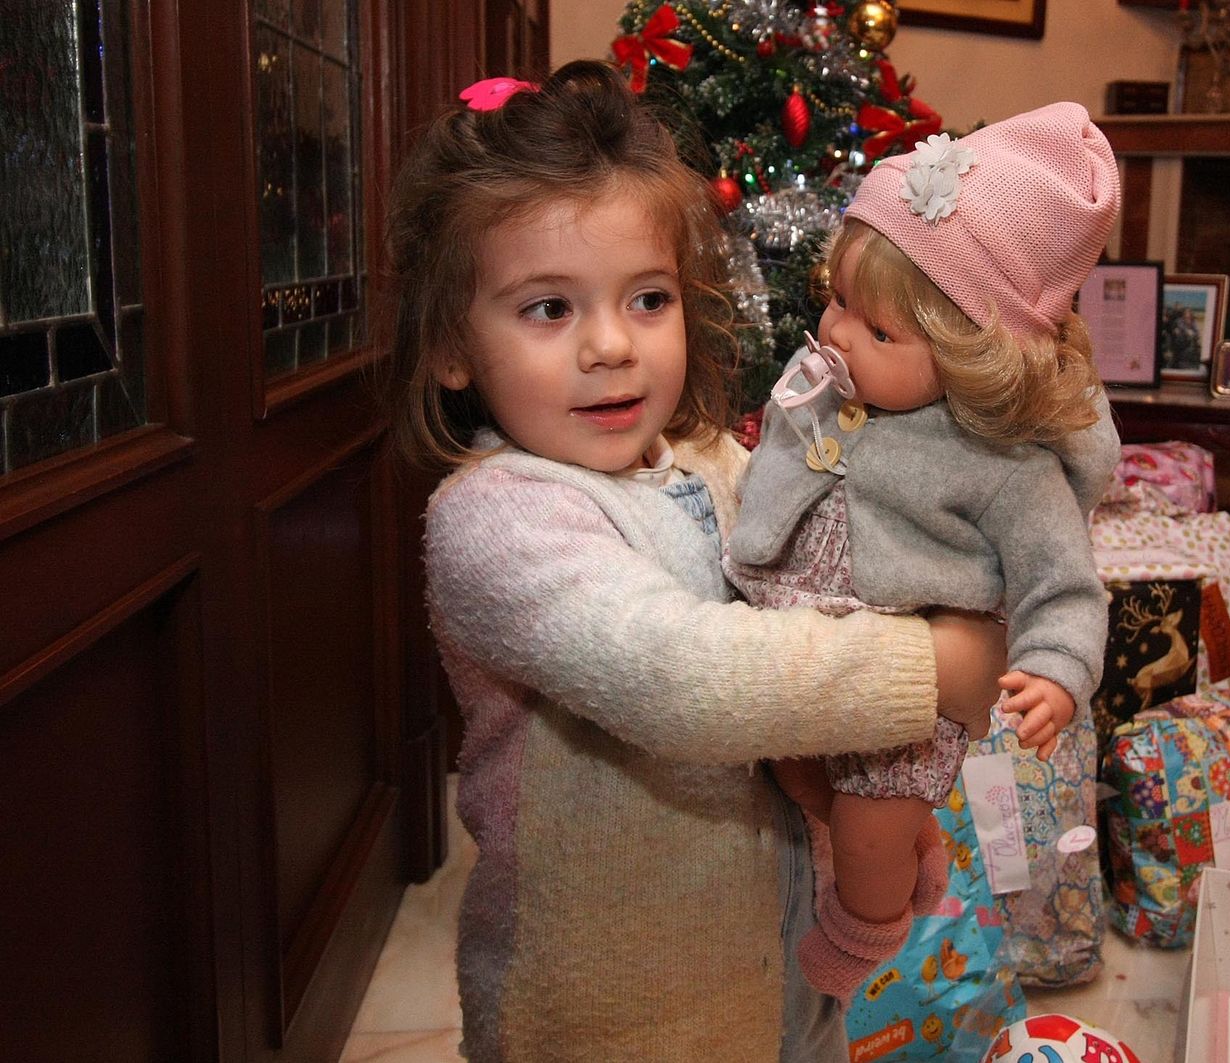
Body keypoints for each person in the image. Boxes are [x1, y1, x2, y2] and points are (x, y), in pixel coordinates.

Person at [381, 61, 1008, 1061]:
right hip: (613, 1008)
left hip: (775, 963)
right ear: (453, 347)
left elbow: (815, 590)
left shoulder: (716, 460)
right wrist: (935, 667)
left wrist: (868, 796)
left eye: (646, 299)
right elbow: (685, 676)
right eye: (549, 308)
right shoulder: (495, 521)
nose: (610, 347)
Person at [723, 103, 1123, 999]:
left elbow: (1065, 584)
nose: (836, 334)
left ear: (967, 352)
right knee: (796, 780)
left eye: (880, 332)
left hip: (904, 703)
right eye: (836, 300)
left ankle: (866, 929)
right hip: (800, 659)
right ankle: (910, 852)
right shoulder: (826, 385)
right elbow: (773, 470)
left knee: (866, 825)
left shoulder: (1001, 466)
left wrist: (1057, 671)